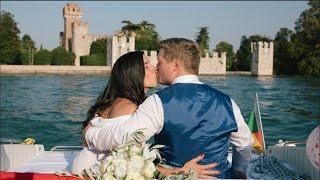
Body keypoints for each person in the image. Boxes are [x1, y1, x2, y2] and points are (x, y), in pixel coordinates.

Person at [85, 39, 254, 179]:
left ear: (175, 65)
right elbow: (244, 144)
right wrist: (238, 173)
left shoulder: (158, 102)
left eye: (160, 62)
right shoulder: (228, 102)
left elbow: (124, 138)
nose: (157, 67)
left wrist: (90, 134)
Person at [72, 51, 218, 178]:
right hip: (95, 175)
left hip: (81, 169)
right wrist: (181, 171)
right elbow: (134, 163)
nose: (154, 68)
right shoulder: (132, 108)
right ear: (133, 75)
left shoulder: (109, 104)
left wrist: (89, 135)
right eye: (147, 66)